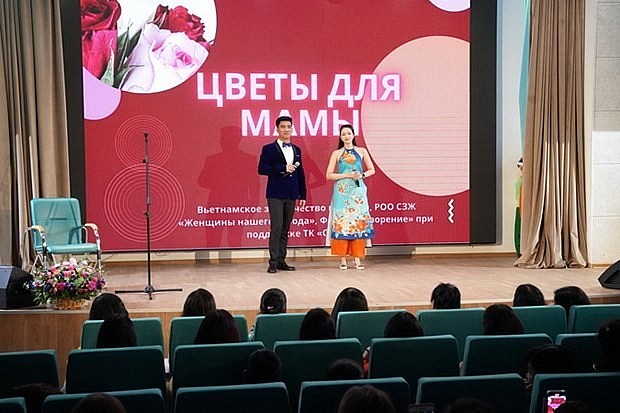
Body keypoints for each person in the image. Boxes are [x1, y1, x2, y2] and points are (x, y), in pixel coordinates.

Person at [258, 115, 307, 274]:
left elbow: (301, 173)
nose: (286, 129)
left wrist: (303, 194)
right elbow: (262, 169)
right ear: (277, 129)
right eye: (283, 126)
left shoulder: (296, 149)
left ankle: (281, 260)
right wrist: (282, 168)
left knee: (286, 228)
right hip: (275, 193)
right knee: (277, 227)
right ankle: (272, 262)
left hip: (292, 193)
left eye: (289, 126)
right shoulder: (268, 148)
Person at [325, 124, 375, 270]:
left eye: (348, 133)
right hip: (342, 192)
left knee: (358, 223)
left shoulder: (362, 151)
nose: (346, 136)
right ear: (340, 137)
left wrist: (362, 175)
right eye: (343, 134)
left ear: (353, 134)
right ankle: (343, 260)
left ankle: (357, 259)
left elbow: (372, 170)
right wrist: (347, 175)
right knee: (343, 223)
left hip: (358, 192)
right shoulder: (337, 153)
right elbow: (329, 175)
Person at [514, 157, 523, 257]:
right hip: (518, 207)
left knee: (520, 231)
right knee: (517, 231)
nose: (521, 170)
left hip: (524, 208)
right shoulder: (520, 179)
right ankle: (519, 251)